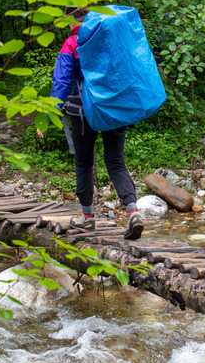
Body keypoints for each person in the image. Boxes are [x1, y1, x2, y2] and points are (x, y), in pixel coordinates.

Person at [44, 14, 144, 240]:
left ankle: (88, 218)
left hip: (81, 112)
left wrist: (52, 109)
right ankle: (132, 211)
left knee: (84, 162)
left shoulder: (72, 43)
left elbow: (62, 79)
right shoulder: (112, 39)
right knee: (116, 161)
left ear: (73, 21)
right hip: (115, 110)